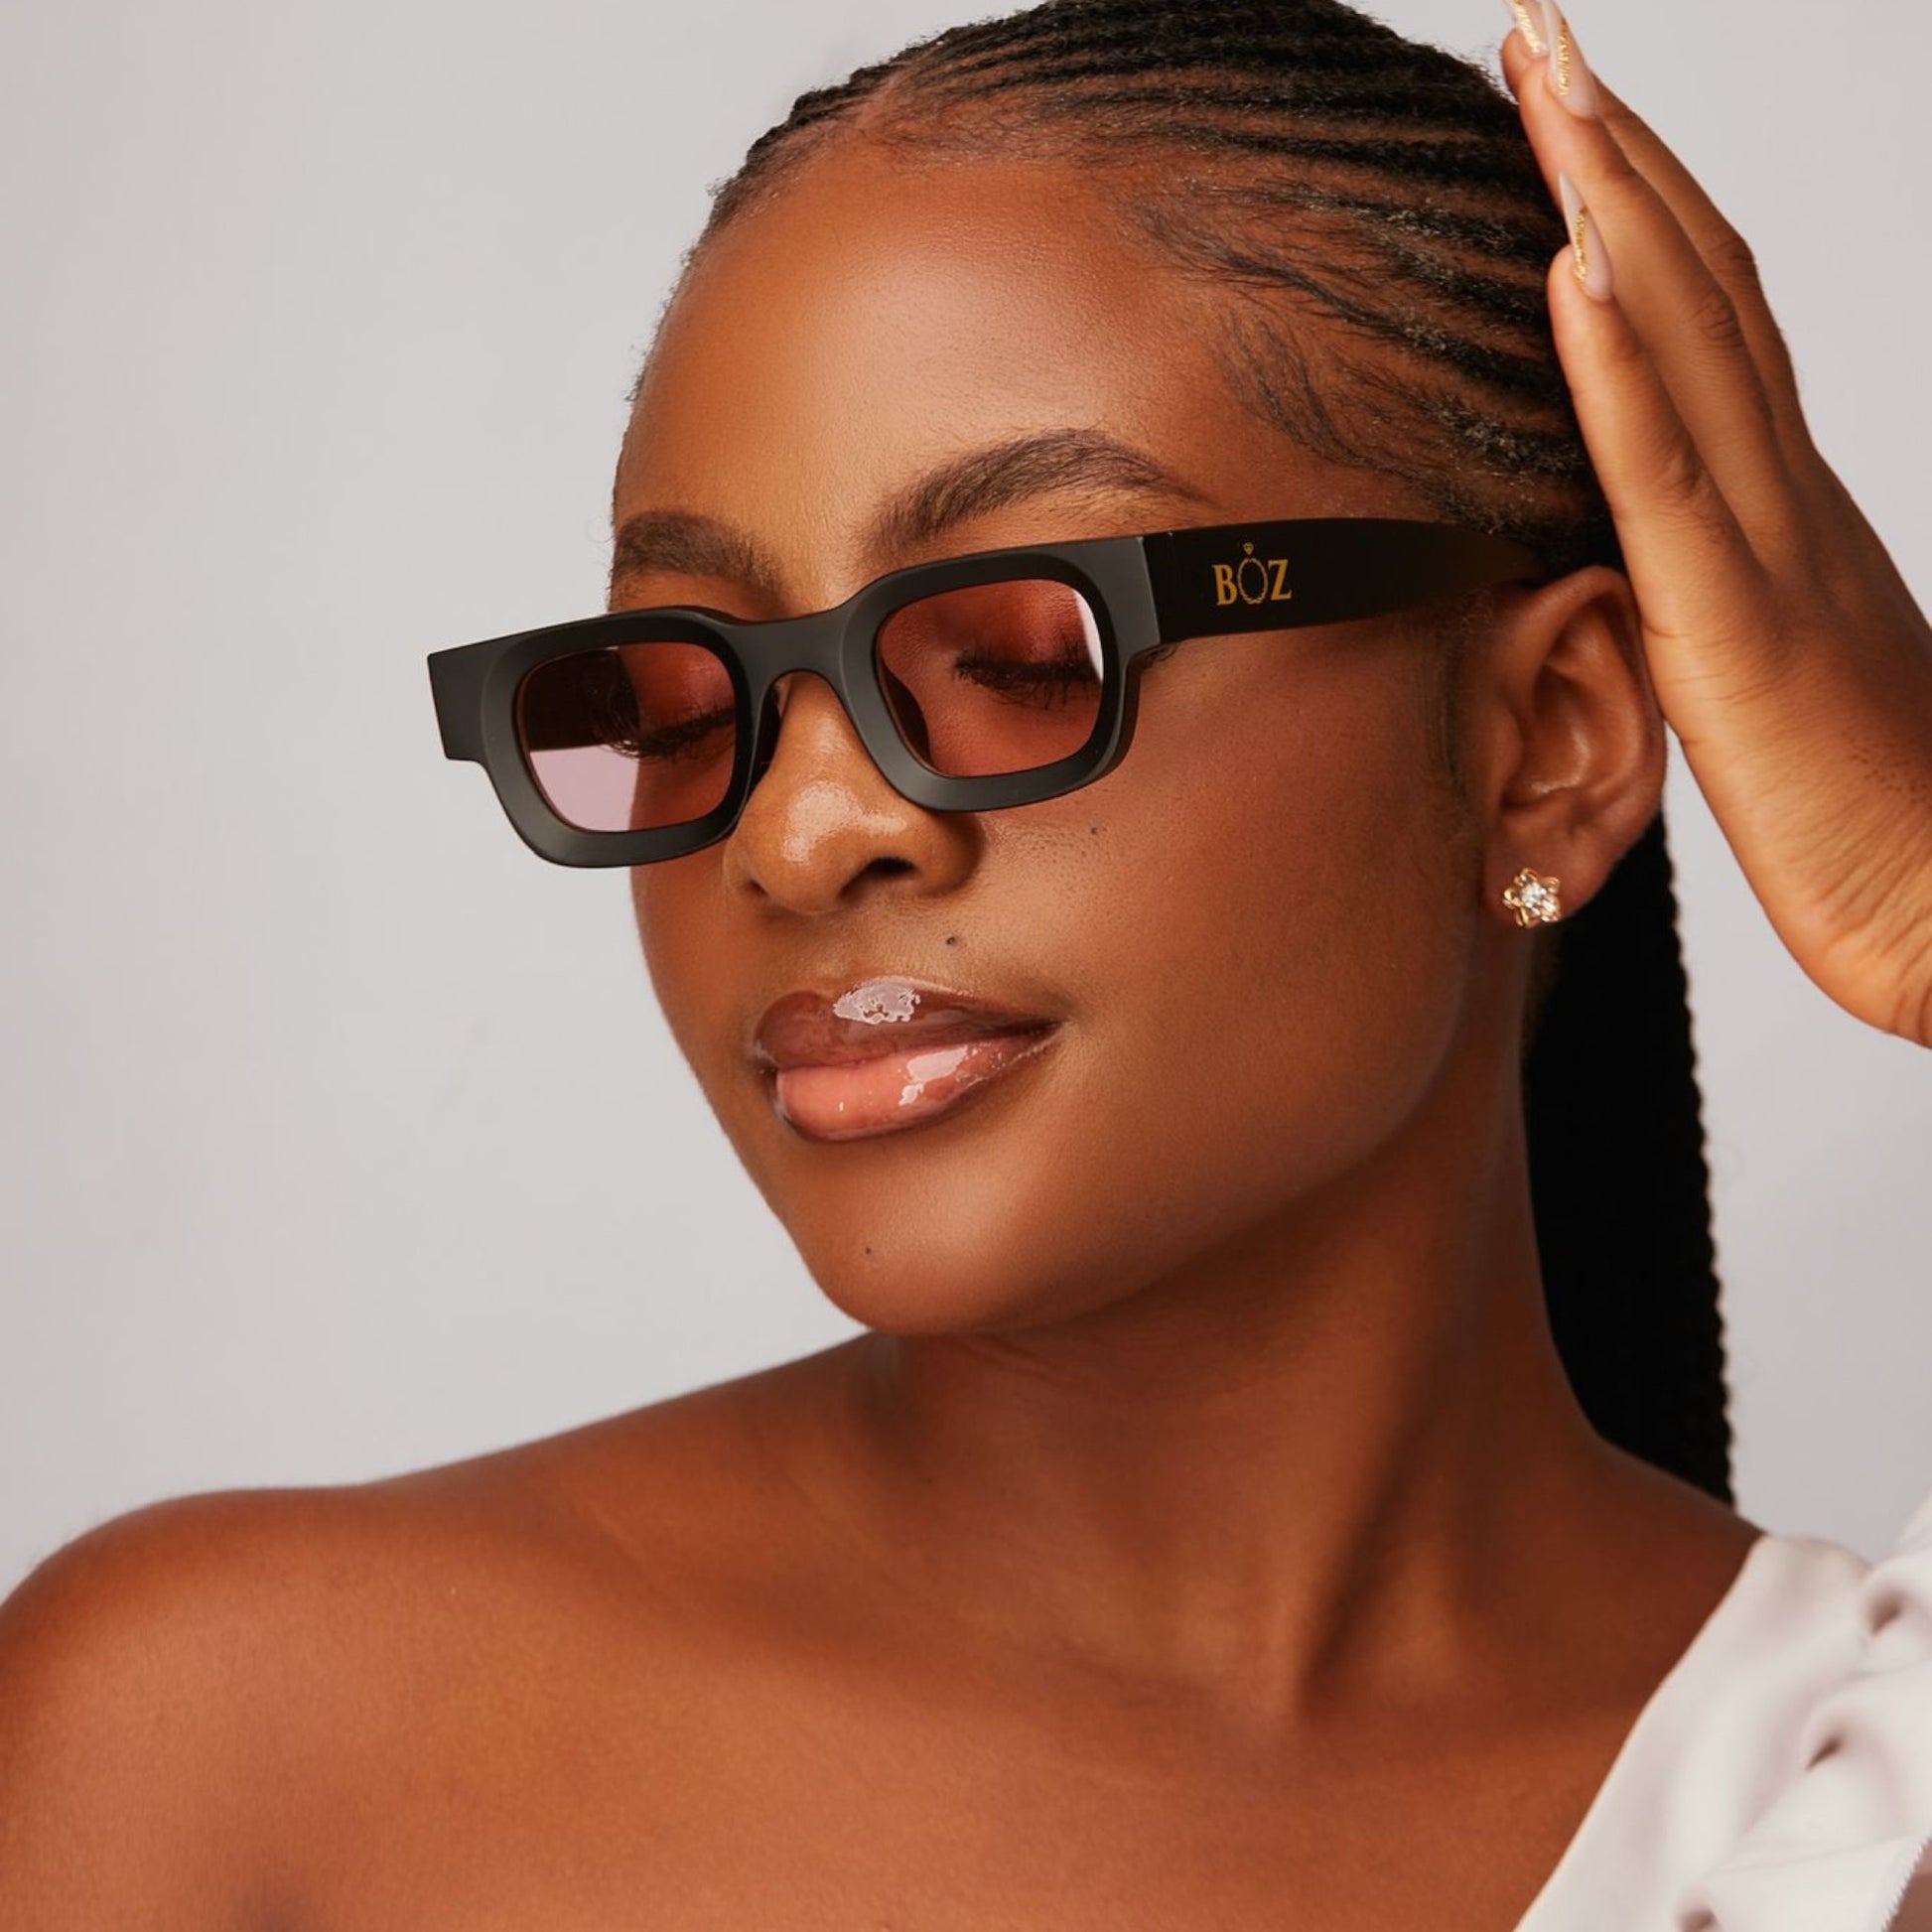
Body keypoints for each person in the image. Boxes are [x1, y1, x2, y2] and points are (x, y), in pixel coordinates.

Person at [2, 1, 1929, 1926]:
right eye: (676, 700)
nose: (798, 828)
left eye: (1017, 652)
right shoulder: (217, 1741)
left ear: (1547, 739)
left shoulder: (1859, 1780)